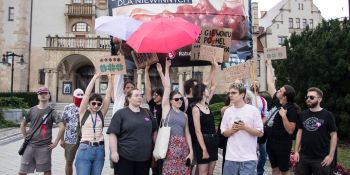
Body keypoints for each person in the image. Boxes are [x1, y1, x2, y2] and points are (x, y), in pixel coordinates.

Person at [107, 88, 158, 175]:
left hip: (144, 159)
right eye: (136, 95)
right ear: (129, 98)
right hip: (125, 157)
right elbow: (112, 134)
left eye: (141, 95)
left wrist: (156, 150)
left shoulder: (147, 113)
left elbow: (154, 132)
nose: (140, 97)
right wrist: (114, 152)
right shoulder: (120, 114)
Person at [157, 59, 193, 175]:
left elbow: (187, 133)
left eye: (181, 99)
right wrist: (166, 68)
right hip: (169, 146)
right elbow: (167, 87)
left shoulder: (185, 115)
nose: (179, 101)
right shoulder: (167, 109)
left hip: (183, 147)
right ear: (171, 101)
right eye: (176, 99)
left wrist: (191, 150)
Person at [19, 87, 65, 175]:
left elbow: (62, 127)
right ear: (38, 96)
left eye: (45, 93)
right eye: (41, 93)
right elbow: (22, 125)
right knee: (22, 171)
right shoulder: (32, 110)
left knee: (47, 171)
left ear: (49, 95)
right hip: (30, 145)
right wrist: (26, 138)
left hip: (44, 146)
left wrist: (55, 143)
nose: (43, 95)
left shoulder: (52, 112)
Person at [220, 82, 264, 175]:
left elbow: (260, 132)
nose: (230, 95)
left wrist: (245, 128)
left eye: (234, 93)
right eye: (230, 93)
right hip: (231, 157)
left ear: (242, 95)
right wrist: (232, 130)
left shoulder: (253, 110)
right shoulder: (228, 111)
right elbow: (223, 132)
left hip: (248, 158)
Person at [75, 73, 113, 175]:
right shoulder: (83, 112)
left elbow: (108, 96)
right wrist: (95, 77)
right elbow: (87, 94)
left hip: (99, 149)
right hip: (85, 148)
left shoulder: (101, 114)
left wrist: (110, 79)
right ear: (89, 103)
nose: (96, 106)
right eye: (93, 103)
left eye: (99, 104)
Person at [294, 87, 337, 175]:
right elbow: (299, 132)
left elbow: (334, 135)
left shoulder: (328, 115)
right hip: (304, 156)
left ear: (319, 99)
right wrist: (296, 151)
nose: (308, 99)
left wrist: (331, 156)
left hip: (321, 158)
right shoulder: (303, 114)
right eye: (307, 97)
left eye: (312, 97)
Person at [266, 59, 298, 175]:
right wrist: (269, 65)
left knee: (284, 170)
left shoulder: (291, 109)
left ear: (285, 96)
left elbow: (290, 130)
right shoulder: (276, 101)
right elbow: (270, 83)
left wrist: (284, 117)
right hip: (271, 141)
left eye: (280, 90)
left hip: (282, 143)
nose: (278, 90)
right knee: (274, 168)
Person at [192, 60, 219, 175]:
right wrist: (203, 149)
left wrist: (215, 67)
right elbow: (198, 131)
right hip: (203, 141)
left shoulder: (206, 103)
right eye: (206, 89)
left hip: (213, 140)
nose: (209, 90)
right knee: (202, 172)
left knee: (210, 172)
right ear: (202, 92)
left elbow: (213, 85)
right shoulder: (196, 109)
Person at [145, 64, 164, 175]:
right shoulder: (152, 104)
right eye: (153, 94)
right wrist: (146, 71)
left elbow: (167, 87)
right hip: (152, 135)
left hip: (163, 135)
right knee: (154, 163)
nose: (154, 96)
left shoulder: (165, 105)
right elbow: (148, 88)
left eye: (157, 94)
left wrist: (161, 71)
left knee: (162, 161)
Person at [60, 88, 84, 175]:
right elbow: (63, 123)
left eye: (82, 95)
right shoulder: (68, 108)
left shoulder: (87, 107)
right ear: (74, 96)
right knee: (69, 161)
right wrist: (62, 139)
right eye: (78, 96)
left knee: (83, 162)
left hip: (84, 139)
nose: (80, 98)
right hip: (71, 138)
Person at [250, 81, 269, 175]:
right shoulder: (247, 99)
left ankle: (259, 171)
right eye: (253, 83)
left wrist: (260, 124)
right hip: (249, 130)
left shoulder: (262, 100)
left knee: (264, 155)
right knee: (251, 154)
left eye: (256, 84)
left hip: (261, 130)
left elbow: (266, 115)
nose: (254, 85)